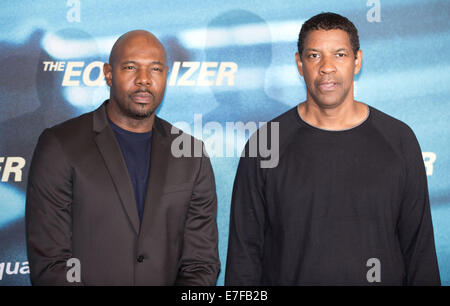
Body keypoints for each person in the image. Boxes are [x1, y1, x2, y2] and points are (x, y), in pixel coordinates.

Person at [225, 12, 441, 285]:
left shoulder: (399, 140)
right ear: (299, 64)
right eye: (314, 55)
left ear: (357, 61)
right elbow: (244, 255)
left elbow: (419, 251)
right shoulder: (265, 144)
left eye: (339, 54)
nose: (327, 66)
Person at [25, 30, 220, 285]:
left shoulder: (191, 154)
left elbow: (201, 263)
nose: (144, 80)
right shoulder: (60, 145)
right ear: (108, 74)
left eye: (155, 69)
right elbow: (50, 263)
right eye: (131, 67)